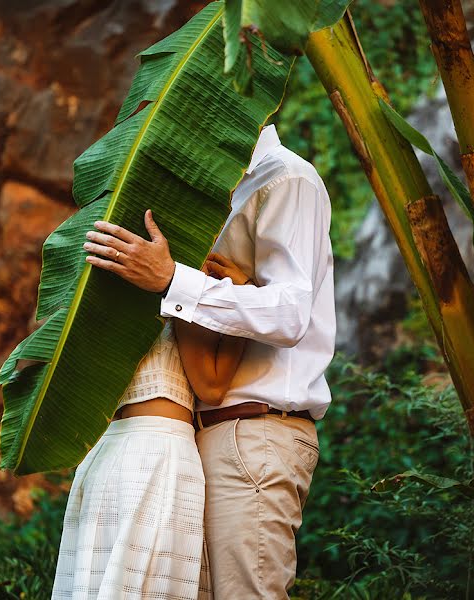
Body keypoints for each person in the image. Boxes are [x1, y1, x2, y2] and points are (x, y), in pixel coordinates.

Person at [83, 124, 335, 598]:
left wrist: (172, 279)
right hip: (197, 436)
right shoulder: (209, 195)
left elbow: (291, 312)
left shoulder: (284, 180)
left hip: (255, 429)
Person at [51, 256, 255, 600]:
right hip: (157, 454)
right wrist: (246, 301)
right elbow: (212, 386)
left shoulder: (102, 287)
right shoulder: (177, 284)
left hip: (106, 454)